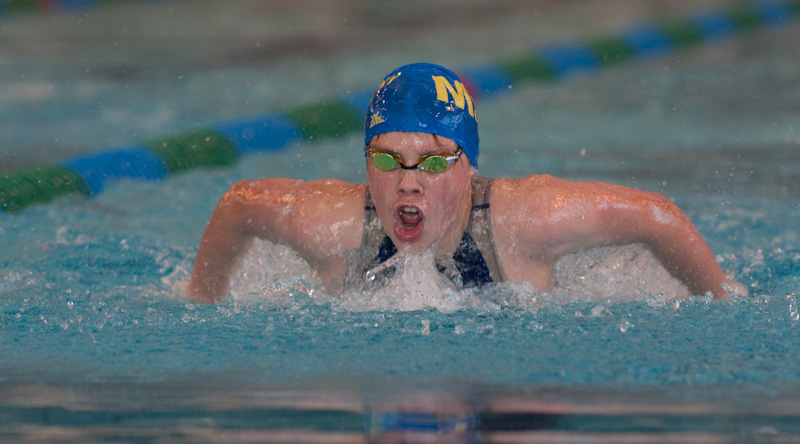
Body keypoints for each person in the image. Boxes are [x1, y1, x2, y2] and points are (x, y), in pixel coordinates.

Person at [185, 63, 743, 304]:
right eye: (387, 160)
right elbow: (238, 205)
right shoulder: (332, 226)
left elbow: (656, 215)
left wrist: (721, 301)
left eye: (432, 162)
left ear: (468, 165)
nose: (407, 183)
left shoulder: (524, 221)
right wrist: (200, 301)